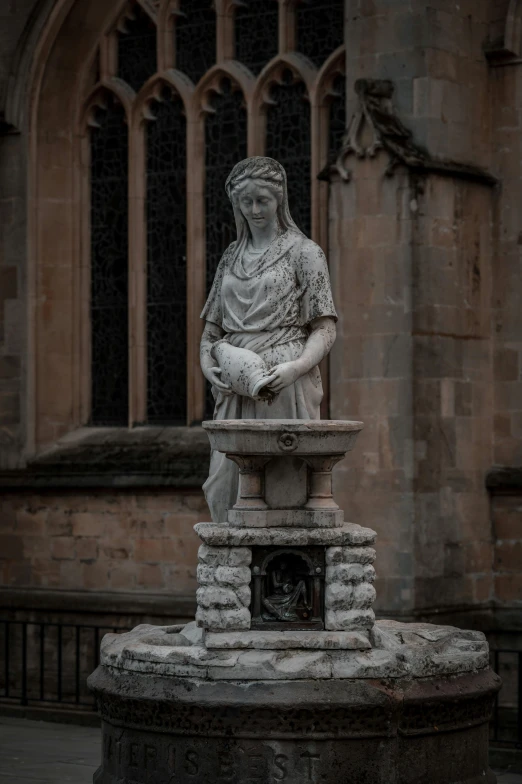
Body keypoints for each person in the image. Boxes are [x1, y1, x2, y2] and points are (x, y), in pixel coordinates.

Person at [200, 156, 337, 523]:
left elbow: (324, 328)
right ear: (236, 204)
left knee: (282, 489)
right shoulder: (231, 256)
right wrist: (206, 364)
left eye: (263, 200)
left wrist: (296, 368)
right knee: (224, 486)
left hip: (283, 375)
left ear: (280, 200)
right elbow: (212, 329)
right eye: (247, 202)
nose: (255, 209)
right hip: (233, 380)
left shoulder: (305, 253)